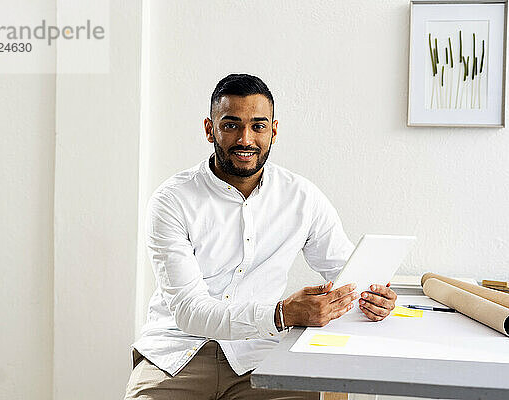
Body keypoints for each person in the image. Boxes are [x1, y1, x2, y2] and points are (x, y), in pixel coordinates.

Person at [124, 74, 397, 400]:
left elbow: (349, 276)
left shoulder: (301, 197)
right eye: (231, 125)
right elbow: (190, 311)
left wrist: (375, 299)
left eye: (257, 126)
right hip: (177, 353)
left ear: (274, 130)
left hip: (260, 355)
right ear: (210, 129)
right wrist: (282, 314)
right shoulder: (172, 200)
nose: (245, 138)